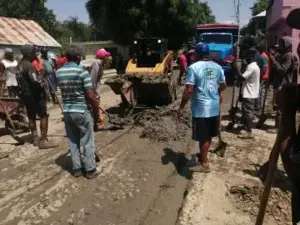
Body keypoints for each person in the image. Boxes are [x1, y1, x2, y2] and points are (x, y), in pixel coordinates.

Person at [177, 43, 226, 173]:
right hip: (214, 107)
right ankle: (203, 156)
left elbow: (188, 90)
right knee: (209, 134)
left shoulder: (193, 68)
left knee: (203, 136)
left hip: (201, 108)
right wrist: (219, 93)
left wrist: (181, 107)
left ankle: (204, 163)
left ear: (197, 54)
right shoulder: (217, 67)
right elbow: (223, 85)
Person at [56, 45, 101, 179]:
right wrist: (96, 112)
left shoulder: (59, 72)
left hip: (67, 111)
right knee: (87, 141)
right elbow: (91, 96)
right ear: (78, 57)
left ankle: (77, 169)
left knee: (73, 141)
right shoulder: (82, 72)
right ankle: (90, 169)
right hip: (81, 110)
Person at [17, 44, 58, 149]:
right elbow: (36, 82)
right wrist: (43, 74)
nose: (36, 54)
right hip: (35, 95)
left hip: (26, 95)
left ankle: (35, 138)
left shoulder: (19, 65)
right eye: (34, 52)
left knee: (31, 116)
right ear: (29, 54)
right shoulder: (29, 66)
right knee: (43, 116)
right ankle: (43, 141)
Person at [268, 36, 295, 134]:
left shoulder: (288, 56)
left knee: (280, 108)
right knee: (278, 106)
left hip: (283, 85)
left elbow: (282, 71)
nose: (280, 45)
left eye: (282, 44)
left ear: (288, 45)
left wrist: (273, 60)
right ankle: (278, 126)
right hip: (278, 84)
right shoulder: (281, 55)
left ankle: (278, 128)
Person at [233, 48, 260, 139]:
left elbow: (242, 77)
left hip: (250, 93)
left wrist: (235, 67)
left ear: (250, 57)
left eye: (245, 57)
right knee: (245, 112)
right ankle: (245, 126)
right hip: (250, 92)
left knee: (248, 113)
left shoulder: (251, 67)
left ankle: (249, 131)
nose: (244, 59)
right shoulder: (253, 66)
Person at [255, 44, 270, 114]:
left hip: (263, 76)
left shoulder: (262, 57)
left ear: (261, 50)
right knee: (260, 92)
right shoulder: (265, 55)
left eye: (259, 49)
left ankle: (258, 107)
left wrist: (260, 76)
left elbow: (264, 67)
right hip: (265, 76)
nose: (258, 50)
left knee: (258, 91)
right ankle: (258, 105)